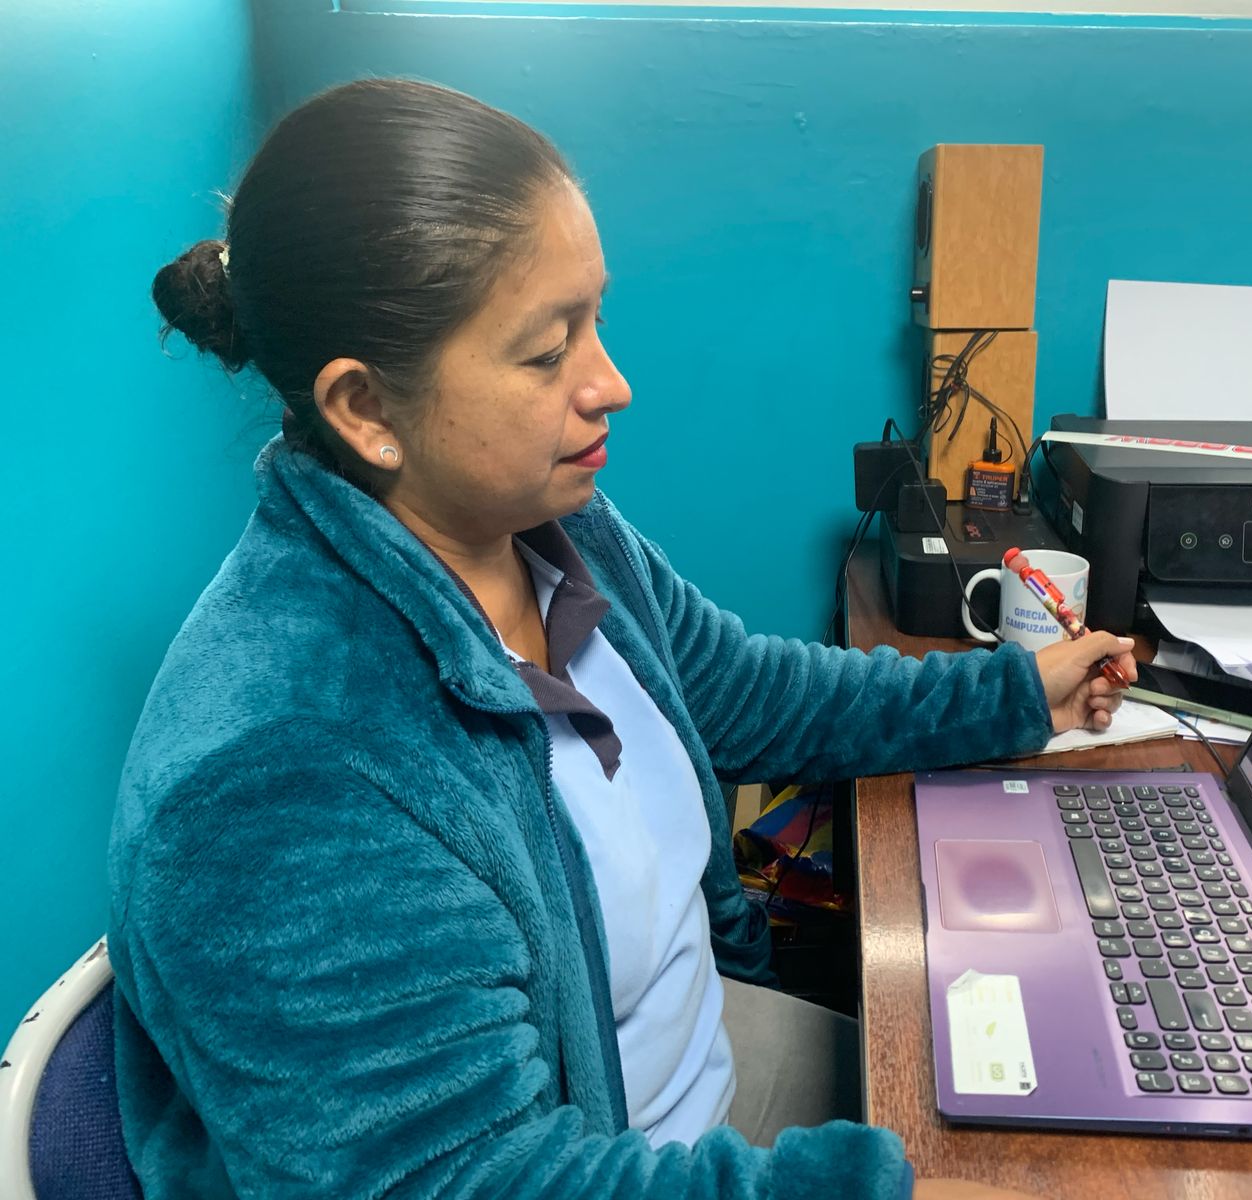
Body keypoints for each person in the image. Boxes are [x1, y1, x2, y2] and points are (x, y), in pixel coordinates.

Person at [111, 79, 1135, 1200]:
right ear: (364, 409)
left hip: (698, 1078)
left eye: (595, 318)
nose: (612, 384)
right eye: (548, 350)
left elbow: (746, 691)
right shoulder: (280, 774)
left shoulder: (545, 523)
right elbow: (471, 1182)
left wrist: (1015, 694)